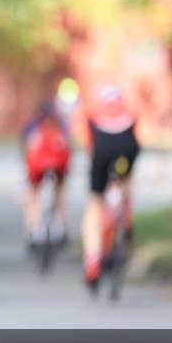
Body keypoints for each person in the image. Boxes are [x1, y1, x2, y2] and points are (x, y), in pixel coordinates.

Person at [81, 84, 140, 293]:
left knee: (95, 202)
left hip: (102, 152)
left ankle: (93, 261)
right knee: (126, 180)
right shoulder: (130, 114)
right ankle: (127, 216)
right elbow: (134, 141)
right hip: (126, 153)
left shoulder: (94, 114)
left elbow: (91, 147)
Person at [21, 101, 71, 248]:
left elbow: (26, 148)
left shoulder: (32, 126)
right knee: (60, 192)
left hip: (37, 167)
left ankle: (32, 230)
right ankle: (63, 228)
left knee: (33, 194)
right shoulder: (60, 125)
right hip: (58, 166)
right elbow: (67, 147)